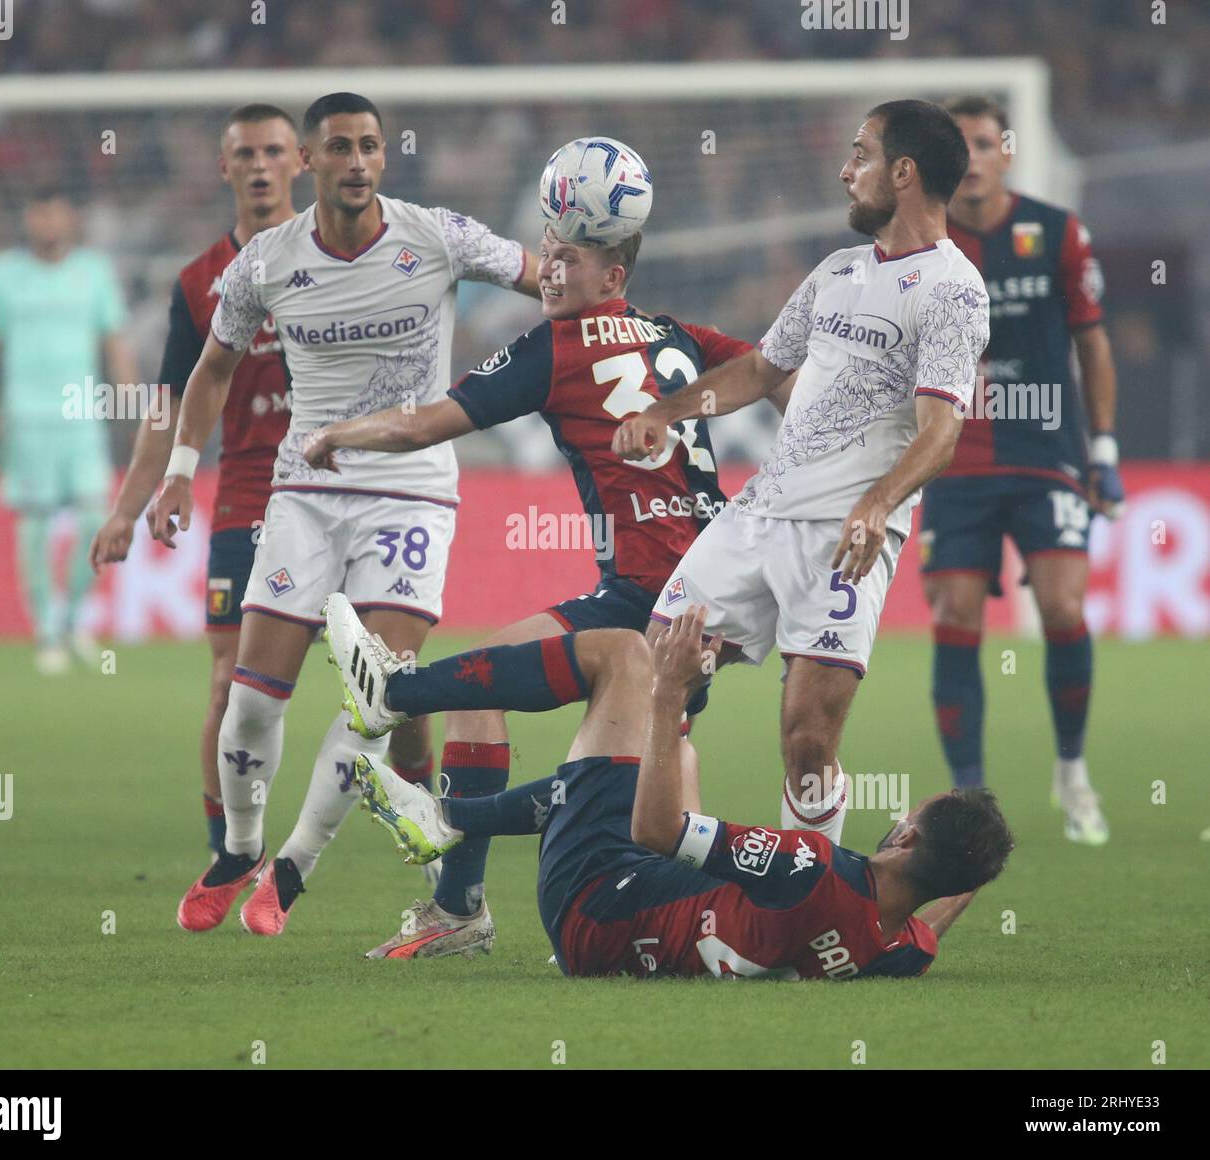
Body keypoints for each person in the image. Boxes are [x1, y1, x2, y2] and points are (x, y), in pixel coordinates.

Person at [303, 219, 750, 958]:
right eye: (549, 258)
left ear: (613, 277)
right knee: (643, 770)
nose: (548, 272)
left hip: (646, 594)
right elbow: (775, 369)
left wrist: (339, 434)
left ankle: (425, 783)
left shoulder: (557, 348)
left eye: (570, 260)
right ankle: (504, 904)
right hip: (715, 592)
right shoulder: (680, 334)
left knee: (579, 758)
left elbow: (424, 425)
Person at [152, 92, 540, 936]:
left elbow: (546, 277)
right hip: (305, 493)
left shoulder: (435, 234)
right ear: (311, 164)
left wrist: (586, 339)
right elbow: (212, 368)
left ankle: (290, 871)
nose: (358, 161)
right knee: (252, 700)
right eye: (341, 148)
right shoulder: (265, 262)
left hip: (412, 491)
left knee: (378, 695)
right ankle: (240, 848)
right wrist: (182, 467)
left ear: (380, 159)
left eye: (369, 146)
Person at [612, 100, 990, 845]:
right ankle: (651, 857)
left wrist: (878, 504)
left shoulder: (953, 288)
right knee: (656, 674)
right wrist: (668, 411)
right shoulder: (837, 271)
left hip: (844, 541)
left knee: (808, 740)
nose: (847, 172)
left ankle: (809, 893)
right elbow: (758, 369)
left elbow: (941, 431)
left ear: (904, 172)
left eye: (862, 156)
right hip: (759, 517)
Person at [326, 596, 1013, 978]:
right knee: (674, 760)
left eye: (907, 814)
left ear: (907, 836)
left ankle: (398, 701)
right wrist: (974, 865)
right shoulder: (895, 949)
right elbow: (929, 921)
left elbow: (661, 834)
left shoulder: (811, 866)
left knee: (624, 655)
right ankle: (450, 819)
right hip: (626, 931)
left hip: (592, 897)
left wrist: (669, 690)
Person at [89, 104, 301, 860]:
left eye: (274, 150)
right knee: (227, 684)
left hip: (347, 493)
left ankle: (441, 863)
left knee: (392, 688)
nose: (259, 164)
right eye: (245, 152)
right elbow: (170, 407)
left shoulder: (345, 257)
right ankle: (228, 851)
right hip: (248, 498)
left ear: (299, 162)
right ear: (225, 167)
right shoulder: (199, 283)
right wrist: (126, 509)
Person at [920, 95, 1119, 845]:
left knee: (1065, 609)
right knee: (953, 615)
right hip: (954, 457)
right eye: (957, 145)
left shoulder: (1058, 232)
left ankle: (1072, 773)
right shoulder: (924, 247)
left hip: (1046, 454)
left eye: (981, 142)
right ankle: (966, 805)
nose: (970, 158)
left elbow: (1093, 345)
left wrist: (1104, 449)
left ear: (1006, 151)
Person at [0, 188, 138, 674]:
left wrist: (133, 402)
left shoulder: (94, 271)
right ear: (28, 218)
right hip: (25, 418)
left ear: (70, 217)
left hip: (84, 416)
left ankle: (72, 618)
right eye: (38, 213)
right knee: (35, 523)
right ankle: (45, 630)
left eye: (55, 212)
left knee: (94, 521)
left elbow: (116, 339)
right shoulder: (4, 273)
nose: (47, 222)